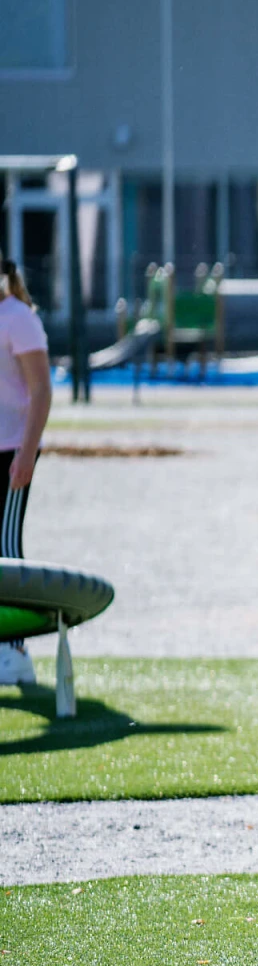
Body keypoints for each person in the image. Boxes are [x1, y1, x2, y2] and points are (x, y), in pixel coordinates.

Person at [0, 258, 51, 686]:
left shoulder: (18, 318)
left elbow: (41, 390)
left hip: (10, 450)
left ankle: (14, 650)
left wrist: (27, 453)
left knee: (6, 548)